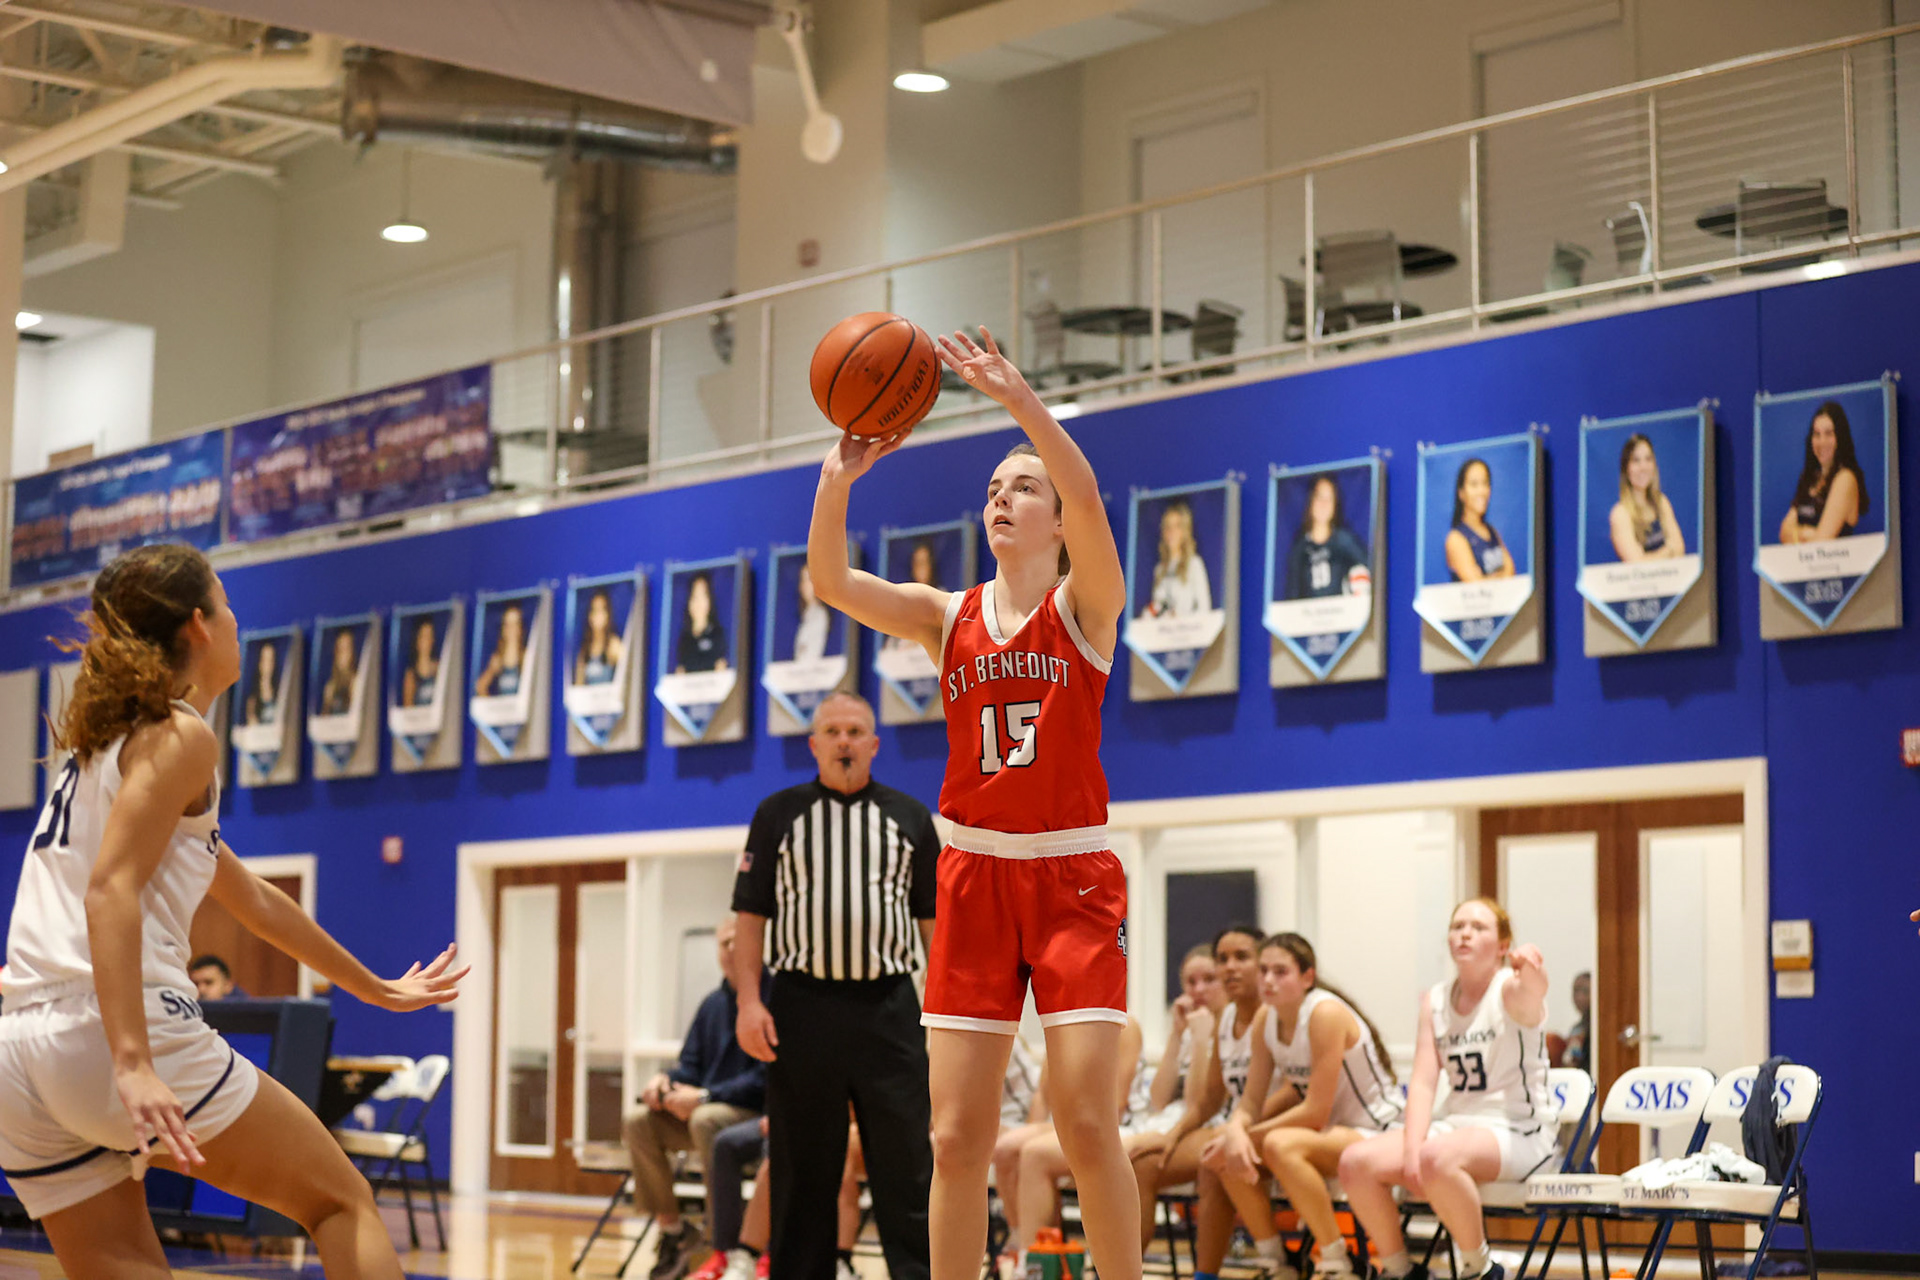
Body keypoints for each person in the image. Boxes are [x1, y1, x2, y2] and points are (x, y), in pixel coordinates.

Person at [0, 542, 465, 1279]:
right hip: (111, 1030)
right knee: (342, 1201)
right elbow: (109, 891)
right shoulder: (183, 735)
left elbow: (251, 899)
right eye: (226, 600)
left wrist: (374, 986)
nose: (237, 617)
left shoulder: (99, 752)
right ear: (199, 625)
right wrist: (133, 1065)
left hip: (19, 1054)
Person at [805, 326, 1138, 1280]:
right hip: (974, 875)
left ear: (1059, 520)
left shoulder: (1087, 605)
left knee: (1084, 1123)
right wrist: (841, 472)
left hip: (1074, 877)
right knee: (954, 1138)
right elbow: (831, 581)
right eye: (993, 489)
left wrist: (1020, 402)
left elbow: (1085, 490)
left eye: (1022, 487)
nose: (1003, 498)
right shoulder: (944, 615)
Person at [733, 691, 940, 1280]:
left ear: (874, 745)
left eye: (855, 731)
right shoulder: (777, 815)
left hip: (890, 1009)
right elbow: (750, 917)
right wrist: (749, 1002)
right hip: (802, 1007)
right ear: (814, 743)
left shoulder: (910, 817)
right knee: (802, 1169)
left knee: (907, 1164)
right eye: (833, 730)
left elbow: (935, 927)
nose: (844, 740)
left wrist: (947, 1015)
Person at [1338, 899, 1554, 1280]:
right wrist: (1409, 1149)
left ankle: (1479, 1268)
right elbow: (1422, 1082)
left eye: (1478, 927)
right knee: (1356, 1162)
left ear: (1502, 946)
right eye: (1458, 926)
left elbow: (1534, 991)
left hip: (1519, 1131)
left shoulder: (1509, 989)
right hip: (1457, 1126)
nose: (1465, 933)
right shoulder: (1436, 1000)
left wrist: (1532, 967)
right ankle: (1399, 1270)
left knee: (1436, 1156)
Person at [1204, 934, 1401, 1280]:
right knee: (1223, 1150)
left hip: (1377, 1130)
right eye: (1264, 970)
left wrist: (1244, 1134)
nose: (1267, 980)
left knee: (1279, 1144)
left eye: (1281, 972)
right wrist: (1235, 1130)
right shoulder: (1266, 1019)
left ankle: (1336, 1261)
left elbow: (1314, 1112)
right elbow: (1250, 1100)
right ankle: (1276, 1262)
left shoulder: (1324, 1014)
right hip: (1330, 1134)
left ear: (1307, 977)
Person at [626, 918, 771, 1280]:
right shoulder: (711, 1005)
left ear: (759, 944)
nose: (731, 950)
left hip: (756, 1113)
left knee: (706, 1119)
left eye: (739, 941)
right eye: (724, 944)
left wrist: (705, 1096)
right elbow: (689, 1066)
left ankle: (720, 1241)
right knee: (638, 1122)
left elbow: (768, 1077)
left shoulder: (775, 997)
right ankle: (674, 1231)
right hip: (708, 1111)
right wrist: (665, 1083)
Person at [1139, 926, 1274, 1280]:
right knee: (1142, 1163)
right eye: (1223, 959)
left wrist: (1236, 1128)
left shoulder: (1278, 1013)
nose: (1230, 967)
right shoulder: (1227, 1019)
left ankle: (1208, 1273)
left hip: (1269, 1123)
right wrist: (1174, 1133)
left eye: (1241, 957)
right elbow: (1209, 1098)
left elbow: (1295, 1091)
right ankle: (1121, 1270)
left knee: (1213, 1160)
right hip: (1231, 1123)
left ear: (1263, 963)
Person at [1010, 1018, 1149, 1266]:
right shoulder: (1057, 1022)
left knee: (1034, 1154)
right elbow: (1044, 1094)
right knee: (1006, 1150)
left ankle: (1030, 1264)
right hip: (1069, 1121)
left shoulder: (1126, 1027)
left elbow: (1117, 1101)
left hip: (1120, 1124)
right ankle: (1023, 1241)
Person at [1777, 399, 1869, 545]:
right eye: (1817, 434)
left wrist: (1798, 533)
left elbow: (1821, 543)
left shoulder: (1845, 479)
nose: (1822, 442)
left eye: (1829, 434)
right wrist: (1807, 533)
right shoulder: (1809, 479)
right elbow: (1783, 533)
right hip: (1802, 566)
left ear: (1840, 437)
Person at [1285, 475, 1370, 600]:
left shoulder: (1344, 540)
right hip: (1309, 616)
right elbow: (1292, 592)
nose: (1323, 504)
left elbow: (1369, 566)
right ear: (1311, 501)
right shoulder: (1300, 547)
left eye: (1329, 498)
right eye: (1319, 497)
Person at [1608, 434, 1685, 562]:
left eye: (1648, 459)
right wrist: (1668, 551)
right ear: (1626, 469)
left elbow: (1679, 549)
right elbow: (1636, 563)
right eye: (1636, 460)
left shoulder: (1661, 502)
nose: (1643, 467)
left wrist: (1648, 558)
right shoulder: (1620, 514)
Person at [1444, 458, 1514, 582]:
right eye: (1474, 484)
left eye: (1485, 483)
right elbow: (1477, 586)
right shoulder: (1455, 538)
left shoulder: (1492, 532)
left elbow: (1511, 571)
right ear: (1461, 493)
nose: (1481, 491)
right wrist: (1499, 576)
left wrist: (1489, 578)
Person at [1145, 498, 1211, 617]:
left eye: (1177, 526)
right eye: (1168, 526)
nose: (1171, 531)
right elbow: (1156, 608)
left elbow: (1204, 609)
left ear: (1185, 531)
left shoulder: (1194, 564)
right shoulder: (1160, 570)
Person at [883, 541, 942, 651]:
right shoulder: (904, 599)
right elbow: (891, 647)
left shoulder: (943, 596)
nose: (921, 569)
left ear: (931, 565)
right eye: (917, 563)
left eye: (924, 562)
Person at [676, 573, 730, 673]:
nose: (698, 603)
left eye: (703, 596)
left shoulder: (718, 635)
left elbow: (721, 667)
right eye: (695, 597)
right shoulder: (684, 639)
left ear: (710, 601)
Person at [575, 588, 626, 686]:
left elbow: (627, 678)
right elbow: (579, 685)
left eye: (601, 610)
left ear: (608, 614)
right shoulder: (585, 649)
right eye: (594, 610)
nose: (597, 615)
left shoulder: (614, 645)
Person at [474, 602, 525, 696]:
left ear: (520, 628)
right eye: (507, 625)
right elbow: (480, 686)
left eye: (515, 624)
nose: (511, 629)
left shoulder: (526, 657)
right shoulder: (497, 658)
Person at [792, 564, 832, 663]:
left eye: (809, 580)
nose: (804, 586)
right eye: (803, 580)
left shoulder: (820, 614)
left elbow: (812, 652)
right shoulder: (805, 614)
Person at [400, 616, 439, 707]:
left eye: (430, 636)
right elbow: (408, 707)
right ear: (417, 641)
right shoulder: (411, 675)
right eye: (424, 636)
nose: (428, 641)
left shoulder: (439, 669)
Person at [319, 628, 358, 716]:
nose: (342, 657)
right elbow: (324, 720)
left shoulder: (357, 683)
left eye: (346, 650)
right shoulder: (330, 687)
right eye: (340, 650)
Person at [1559, 972, 1591, 1074]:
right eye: (1576, 991)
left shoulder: (1599, 1029)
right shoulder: (1577, 1029)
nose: (1579, 997)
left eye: (1585, 991)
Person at [241, 639, 279, 725]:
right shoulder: (252, 694)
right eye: (265, 660)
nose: (267, 665)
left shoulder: (281, 689)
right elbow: (251, 720)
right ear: (259, 663)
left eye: (271, 660)